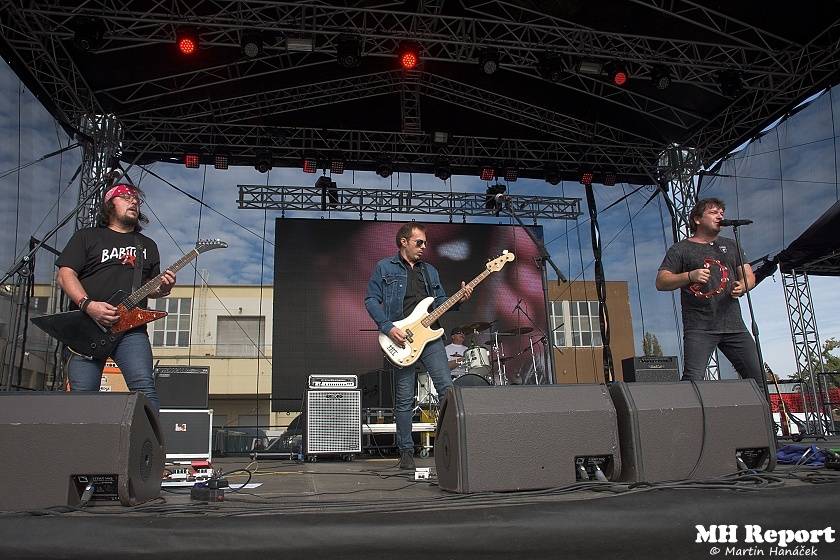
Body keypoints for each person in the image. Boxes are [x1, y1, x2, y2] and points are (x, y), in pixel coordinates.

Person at [56, 183, 176, 411]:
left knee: (144, 387)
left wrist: (163, 289)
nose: (134, 202)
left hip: (131, 330)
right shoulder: (87, 236)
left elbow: (149, 288)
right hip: (86, 326)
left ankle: (150, 445)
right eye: (126, 197)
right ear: (109, 203)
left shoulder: (147, 246)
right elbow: (65, 274)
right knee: (82, 394)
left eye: (137, 200)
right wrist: (88, 305)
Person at [364, 223, 472, 469]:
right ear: (404, 241)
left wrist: (460, 298)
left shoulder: (429, 271)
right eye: (419, 242)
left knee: (447, 389)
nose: (424, 247)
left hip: (431, 338)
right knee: (404, 399)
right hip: (401, 339)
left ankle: (451, 444)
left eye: (425, 243)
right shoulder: (384, 267)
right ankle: (406, 453)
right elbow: (371, 299)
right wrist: (388, 327)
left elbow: (441, 301)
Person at [656, 197, 762, 385]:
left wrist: (743, 285)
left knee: (758, 378)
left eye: (721, 213)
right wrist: (689, 276)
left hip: (734, 325)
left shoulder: (731, 245)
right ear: (697, 219)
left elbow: (749, 276)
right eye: (713, 212)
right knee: (692, 380)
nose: (720, 216)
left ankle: (763, 415)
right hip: (700, 327)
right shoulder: (681, 249)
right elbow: (661, 281)